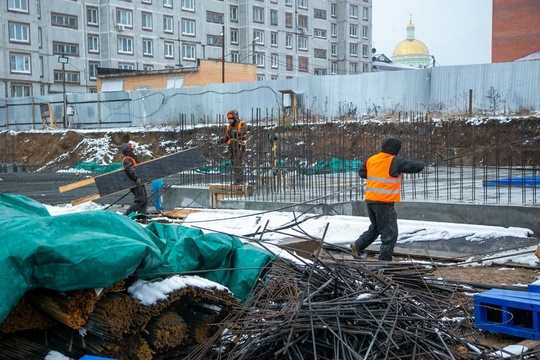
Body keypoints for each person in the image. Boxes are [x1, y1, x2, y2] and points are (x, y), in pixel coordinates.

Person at [351, 137, 424, 261]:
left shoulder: (372, 159)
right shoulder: (394, 161)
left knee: (376, 227)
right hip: (383, 202)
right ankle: (384, 260)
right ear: (394, 149)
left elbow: (362, 172)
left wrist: (377, 172)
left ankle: (358, 245)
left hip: (371, 201)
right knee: (390, 233)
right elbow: (413, 167)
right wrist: (422, 165)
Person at [121, 143, 148, 215]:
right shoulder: (127, 160)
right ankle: (127, 214)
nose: (133, 150)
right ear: (128, 150)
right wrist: (136, 178)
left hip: (138, 182)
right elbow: (131, 170)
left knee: (144, 200)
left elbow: (139, 168)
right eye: (131, 149)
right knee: (140, 200)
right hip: (135, 183)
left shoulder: (132, 158)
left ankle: (141, 215)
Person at [224, 109, 248, 185]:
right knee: (234, 163)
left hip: (240, 146)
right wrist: (221, 140)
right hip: (231, 147)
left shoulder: (242, 124)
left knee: (238, 163)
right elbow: (226, 137)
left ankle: (239, 180)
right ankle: (237, 180)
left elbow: (242, 132)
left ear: (235, 118)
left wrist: (236, 132)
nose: (230, 120)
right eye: (229, 119)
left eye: (231, 119)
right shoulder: (228, 127)